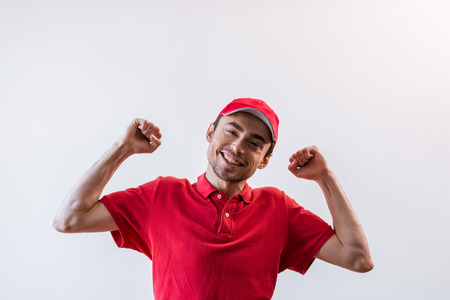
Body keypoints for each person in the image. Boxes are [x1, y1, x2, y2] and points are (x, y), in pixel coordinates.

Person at [53, 98, 373, 299]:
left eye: (254, 143)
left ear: (263, 159)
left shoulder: (278, 209)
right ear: (211, 132)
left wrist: (324, 177)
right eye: (232, 131)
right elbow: (68, 220)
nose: (238, 146)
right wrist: (122, 148)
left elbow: (358, 259)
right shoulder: (162, 195)